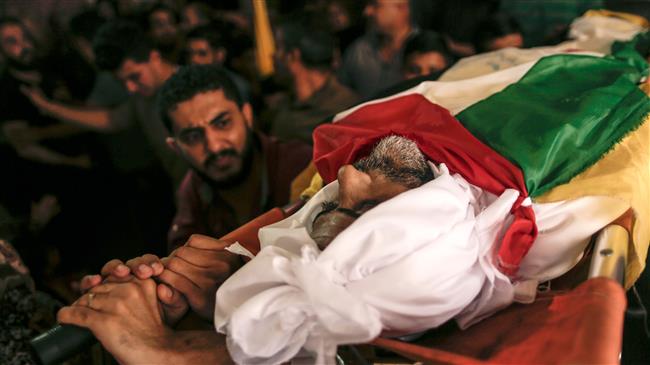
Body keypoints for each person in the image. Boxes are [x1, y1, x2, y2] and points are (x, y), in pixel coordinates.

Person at [58, 135, 432, 364]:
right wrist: (226, 302)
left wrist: (170, 351)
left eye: (367, 214)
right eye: (331, 207)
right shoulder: (199, 196)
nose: (215, 145)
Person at [158, 65, 312, 250]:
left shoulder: (303, 164)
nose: (214, 146)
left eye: (223, 123)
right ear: (175, 147)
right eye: (193, 137)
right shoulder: (191, 194)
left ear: (247, 115)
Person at [19, 20, 187, 186]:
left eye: (135, 76)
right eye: (123, 81)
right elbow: (112, 119)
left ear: (155, 58)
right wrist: (49, 107)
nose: (130, 88)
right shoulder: (143, 97)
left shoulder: (193, 90)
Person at [270, 22, 359, 144]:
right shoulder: (350, 103)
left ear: (293, 56)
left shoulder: (345, 111)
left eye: (278, 47)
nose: (273, 56)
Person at [338, 0, 415, 98]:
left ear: (401, 8)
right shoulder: (358, 51)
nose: (367, 11)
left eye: (375, 5)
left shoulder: (427, 50)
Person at [185, 23, 251, 103]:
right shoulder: (183, 84)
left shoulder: (237, 86)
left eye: (202, 54)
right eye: (189, 54)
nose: (194, 59)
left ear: (219, 55)